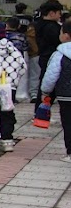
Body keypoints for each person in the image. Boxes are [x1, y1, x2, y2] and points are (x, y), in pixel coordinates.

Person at [38, 20, 71, 162]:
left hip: (65, 95)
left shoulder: (60, 54)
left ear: (66, 36)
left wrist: (45, 91)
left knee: (68, 123)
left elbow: (51, 76)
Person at [34, 1, 64, 101]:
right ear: (51, 13)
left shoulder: (39, 24)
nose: (60, 15)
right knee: (49, 88)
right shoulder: (52, 27)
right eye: (59, 13)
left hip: (43, 57)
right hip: (50, 58)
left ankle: (41, 107)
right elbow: (58, 41)